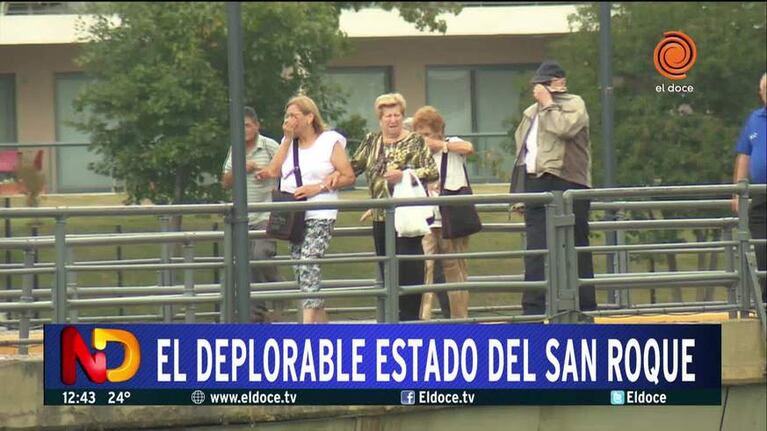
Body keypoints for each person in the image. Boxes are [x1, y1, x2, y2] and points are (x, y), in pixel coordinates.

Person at [257, 95, 356, 323]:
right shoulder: (288, 143)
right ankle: (323, 329)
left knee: (308, 262)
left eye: (294, 115)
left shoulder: (329, 141)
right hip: (294, 215)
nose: (289, 120)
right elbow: (273, 171)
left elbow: (348, 175)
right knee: (303, 274)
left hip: (321, 212)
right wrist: (287, 139)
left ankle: (307, 329)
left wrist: (319, 187)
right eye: (287, 116)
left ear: (310, 117)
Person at [509, 60, 597, 316]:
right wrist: (519, 195)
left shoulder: (574, 104)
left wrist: (548, 103)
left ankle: (584, 308)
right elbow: (522, 154)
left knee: (576, 244)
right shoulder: (530, 113)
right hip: (537, 182)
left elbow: (565, 129)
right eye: (539, 85)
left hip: (569, 180)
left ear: (559, 82)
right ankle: (532, 312)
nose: (540, 90)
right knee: (536, 248)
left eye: (546, 84)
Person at [350, 93, 439, 321]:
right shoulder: (371, 141)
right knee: (387, 272)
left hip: (406, 217)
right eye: (388, 115)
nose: (393, 120)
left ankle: (409, 320)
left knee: (409, 271)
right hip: (381, 218)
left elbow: (431, 172)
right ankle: (391, 321)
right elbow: (353, 168)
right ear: (380, 119)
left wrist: (405, 175)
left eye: (397, 115)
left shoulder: (415, 141)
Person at [413, 106, 475, 319]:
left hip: (452, 217)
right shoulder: (416, 153)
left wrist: (440, 145)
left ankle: (460, 319)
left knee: (455, 269)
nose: (424, 139)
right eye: (420, 135)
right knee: (425, 269)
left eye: (427, 134)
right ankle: (423, 318)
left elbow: (468, 148)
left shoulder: (452, 144)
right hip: (426, 220)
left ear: (439, 132)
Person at [221, 106, 282, 323]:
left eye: (247, 125)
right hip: (242, 219)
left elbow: (286, 170)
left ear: (257, 125)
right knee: (246, 264)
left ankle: (279, 291)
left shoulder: (269, 146)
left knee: (259, 256)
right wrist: (241, 169)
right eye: (240, 126)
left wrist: (269, 172)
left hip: (266, 214)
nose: (244, 129)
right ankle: (257, 314)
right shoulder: (235, 149)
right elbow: (225, 182)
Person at [732, 73, 766, 303]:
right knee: (763, 253)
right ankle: (765, 305)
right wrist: (737, 190)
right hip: (761, 196)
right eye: (765, 90)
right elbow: (744, 155)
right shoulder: (754, 119)